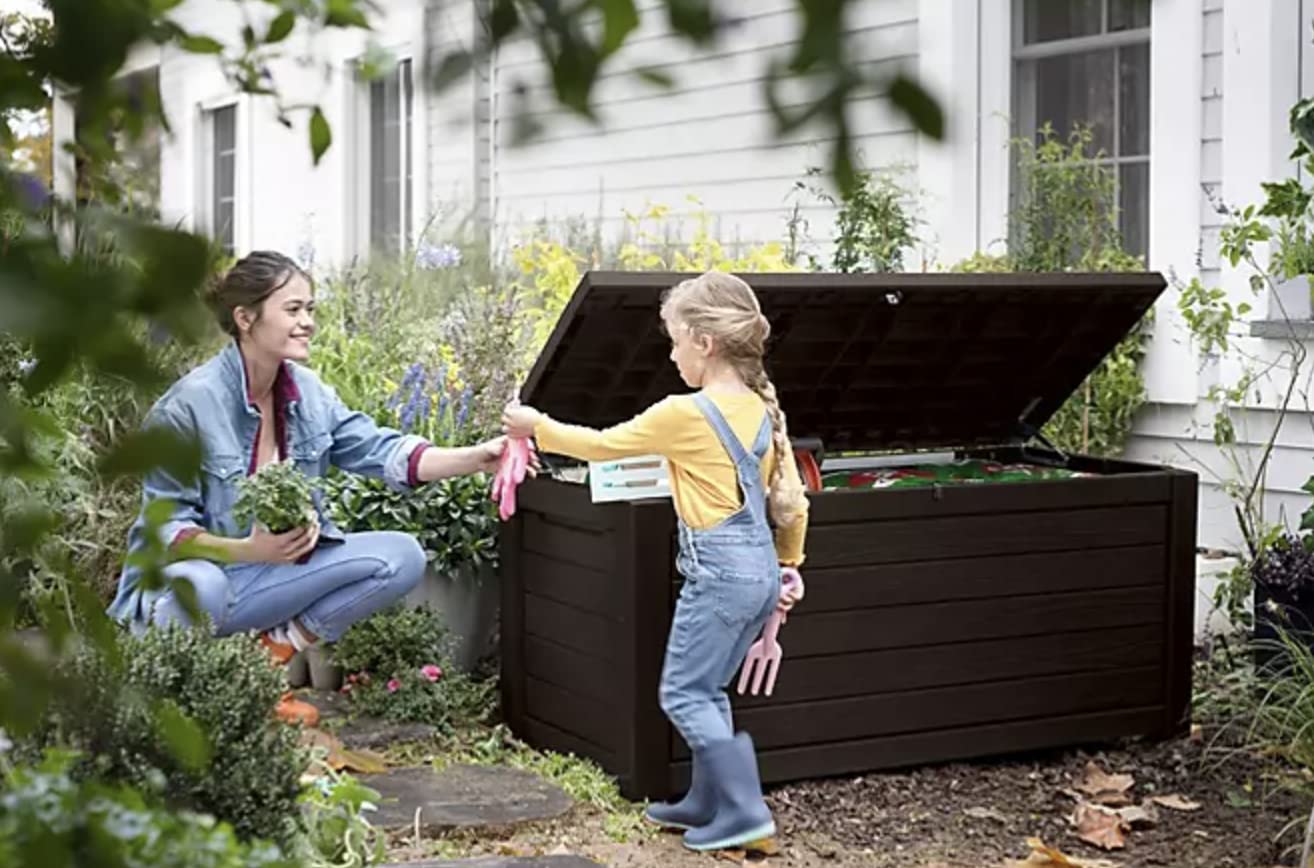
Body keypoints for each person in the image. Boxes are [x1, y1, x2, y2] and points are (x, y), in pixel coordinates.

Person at [108, 250, 511, 726]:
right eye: (293, 309)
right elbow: (167, 533)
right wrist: (249, 550)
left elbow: (382, 450)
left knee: (400, 557)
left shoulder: (309, 394)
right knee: (206, 584)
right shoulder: (188, 407)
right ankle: (173, 705)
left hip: (263, 580)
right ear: (245, 318)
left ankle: (264, 663)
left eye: (310, 309)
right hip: (185, 592)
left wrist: (476, 457)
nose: (308, 322)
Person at [502, 270, 809, 853]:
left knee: (684, 694)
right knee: (709, 689)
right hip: (761, 574)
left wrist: (534, 426)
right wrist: (789, 567)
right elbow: (792, 503)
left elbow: (601, 447)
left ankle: (745, 812)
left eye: (674, 341)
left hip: (719, 577)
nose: (670, 355)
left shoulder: (686, 412)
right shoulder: (761, 411)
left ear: (704, 342)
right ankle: (706, 799)